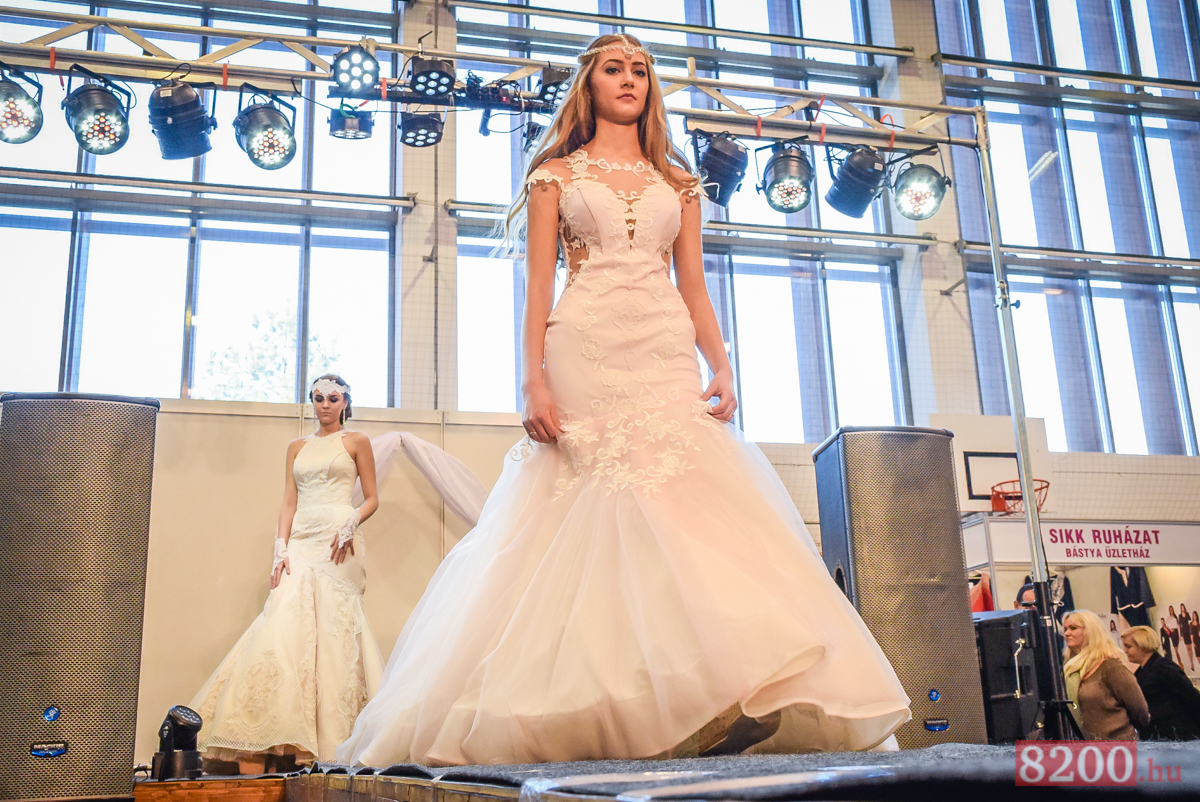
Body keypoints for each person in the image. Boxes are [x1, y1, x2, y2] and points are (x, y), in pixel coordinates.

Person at [337, 32, 910, 767]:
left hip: (664, 346)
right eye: (614, 68)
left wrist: (722, 364)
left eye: (640, 69)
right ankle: (598, 701)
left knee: (682, 500)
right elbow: (537, 287)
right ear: (590, 85)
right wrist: (532, 379)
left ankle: (713, 689)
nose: (630, 79)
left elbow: (693, 283)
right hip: (585, 343)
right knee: (601, 500)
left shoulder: (682, 183)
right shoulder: (554, 176)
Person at [191, 375, 384, 772]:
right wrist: (280, 546)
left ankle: (333, 736)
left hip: (337, 540)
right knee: (283, 619)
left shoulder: (356, 441)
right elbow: (288, 501)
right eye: (318, 397)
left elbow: (372, 498)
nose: (325, 404)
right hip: (301, 538)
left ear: (345, 402)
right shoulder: (297, 446)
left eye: (333, 398)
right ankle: (276, 730)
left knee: (332, 624)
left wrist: (351, 522)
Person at [1062, 610, 1148, 740]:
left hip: (1118, 745)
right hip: (1085, 747)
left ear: (1091, 631)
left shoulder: (1111, 667)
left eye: (1073, 628)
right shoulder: (1069, 669)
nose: (1067, 633)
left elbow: (1139, 711)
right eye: (1065, 629)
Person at [1121, 625, 1200, 740]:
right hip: (1159, 735)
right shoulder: (1143, 670)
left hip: (1176, 734)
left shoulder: (1163, 667)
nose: (1125, 651)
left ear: (1144, 646)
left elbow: (1191, 697)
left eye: (1128, 646)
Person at [1178, 603, 1195, 672]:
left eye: (1183, 607)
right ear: (1180, 608)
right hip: (1184, 633)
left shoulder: (1187, 614)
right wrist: (1181, 635)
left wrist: (1187, 612)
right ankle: (1191, 663)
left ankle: (1192, 663)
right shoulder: (1180, 616)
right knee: (1187, 648)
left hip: (1188, 631)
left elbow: (1190, 619)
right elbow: (1180, 626)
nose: (1182, 609)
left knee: (1190, 648)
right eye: (1181, 608)